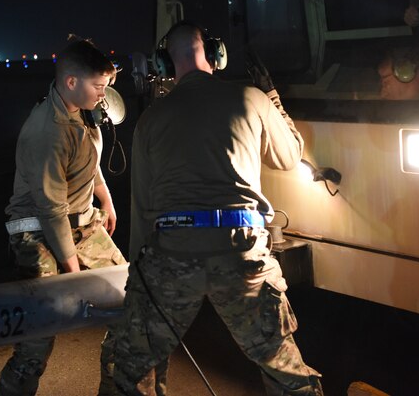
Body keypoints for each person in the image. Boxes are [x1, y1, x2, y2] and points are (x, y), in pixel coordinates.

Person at [112, 22, 324, 395]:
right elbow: (289, 156)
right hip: (241, 251)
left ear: (164, 64)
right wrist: (271, 96)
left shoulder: (151, 119)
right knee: (282, 367)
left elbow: (143, 209)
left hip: (172, 254)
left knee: (135, 368)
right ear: (214, 54)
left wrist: (138, 281)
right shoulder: (251, 99)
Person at [0, 35, 127, 396]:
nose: (104, 94)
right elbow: (51, 210)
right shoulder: (47, 132)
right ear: (71, 82)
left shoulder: (82, 109)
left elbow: (89, 161)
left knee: (131, 304)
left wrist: (106, 200)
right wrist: (73, 273)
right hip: (37, 229)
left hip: (79, 222)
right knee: (39, 333)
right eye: (99, 86)